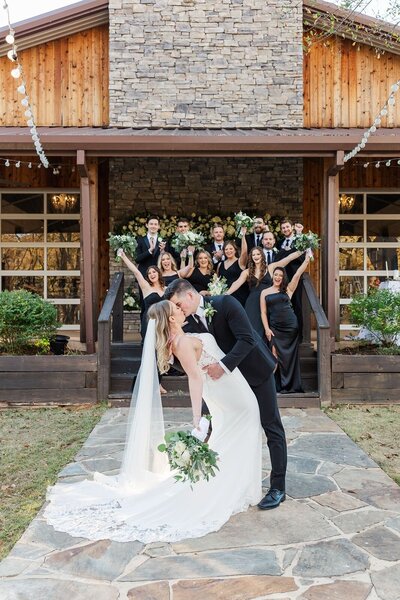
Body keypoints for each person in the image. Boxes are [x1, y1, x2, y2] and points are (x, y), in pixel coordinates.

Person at [44, 299, 263, 543]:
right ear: (171, 318)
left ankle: (236, 486)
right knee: (243, 427)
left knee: (234, 435)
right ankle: (234, 489)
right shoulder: (180, 343)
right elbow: (194, 378)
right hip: (227, 394)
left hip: (229, 392)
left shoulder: (182, 336)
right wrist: (197, 417)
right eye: (177, 309)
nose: (181, 309)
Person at [165, 278, 286, 511]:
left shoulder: (225, 303)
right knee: (217, 428)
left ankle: (277, 487)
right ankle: (226, 482)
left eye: (179, 304)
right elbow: (193, 360)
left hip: (254, 373)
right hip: (224, 387)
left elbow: (247, 339)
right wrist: (172, 357)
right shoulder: (186, 325)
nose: (179, 310)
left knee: (271, 425)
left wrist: (223, 366)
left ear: (189, 295)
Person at [260, 251, 312, 394]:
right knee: (274, 355)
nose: (277, 277)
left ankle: (290, 386)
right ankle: (274, 385)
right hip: (275, 328)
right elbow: (263, 312)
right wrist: (266, 329)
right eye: (275, 275)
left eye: (280, 275)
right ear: (273, 276)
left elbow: (297, 274)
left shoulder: (288, 290)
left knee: (289, 357)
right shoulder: (265, 292)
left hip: (290, 327)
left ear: (283, 278)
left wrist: (306, 260)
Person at [118, 249, 167, 394]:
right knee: (150, 353)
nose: (152, 274)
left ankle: (158, 383)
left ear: (159, 273)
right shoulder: (146, 287)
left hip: (162, 324)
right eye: (149, 273)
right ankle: (149, 385)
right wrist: (124, 257)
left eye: (154, 272)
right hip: (150, 323)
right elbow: (136, 272)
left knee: (161, 353)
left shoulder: (166, 289)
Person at [226, 246, 304, 336]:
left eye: (258, 254)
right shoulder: (247, 272)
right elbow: (237, 283)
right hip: (253, 303)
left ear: (262, 255)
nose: (256, 256)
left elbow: (288, 259)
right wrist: (227, 293)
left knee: (268, 329)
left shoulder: (270, 268)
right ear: (251, 257)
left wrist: (303, 250)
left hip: (269, 302)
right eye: (253, 255)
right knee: (253, 328)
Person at [135, 215, 166, 317]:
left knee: (161, 303)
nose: (153, 226)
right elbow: (137, 258)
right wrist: (149, 251)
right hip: (145, 276)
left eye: (155, 224)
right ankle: (144, 329)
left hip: (160, 276)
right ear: (147, 225)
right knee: (145, 304)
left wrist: (163, 251)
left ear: (158, 226)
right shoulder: (140, 240)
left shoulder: (163, 241)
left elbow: (168, 258)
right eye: (151, 224)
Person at [217, 238, 248, 306]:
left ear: (235, 250)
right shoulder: (220, 264)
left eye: (231, 249)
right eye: (226, 249)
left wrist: (243, 236)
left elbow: (244, 252)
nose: (228, 251)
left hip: (240, 296)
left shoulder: (240, 262)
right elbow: (217, 281)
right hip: (226, 297)